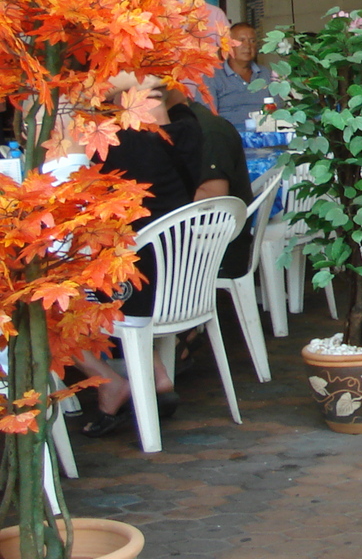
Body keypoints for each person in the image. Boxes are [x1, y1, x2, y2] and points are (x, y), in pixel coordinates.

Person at [78, 75, 200, 437]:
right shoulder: (186, 134)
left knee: (46, 300)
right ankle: (157, 375)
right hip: (180, 279)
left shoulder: (114, 146)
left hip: (141, 288)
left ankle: (107, 382)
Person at [168, 87, 256, 279]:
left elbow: (212, 198)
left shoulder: (206, 130)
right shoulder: (179, 123)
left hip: (216, 246)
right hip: (194, 237)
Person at [204, 23, 271, 130]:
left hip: (265, 136)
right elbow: (206, 118)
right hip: (229, 138)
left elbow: (278, 111)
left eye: (252, 41)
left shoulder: (265, 73)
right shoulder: (213, 76)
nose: (248, 46)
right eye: (241, 40)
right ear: (228, 45)